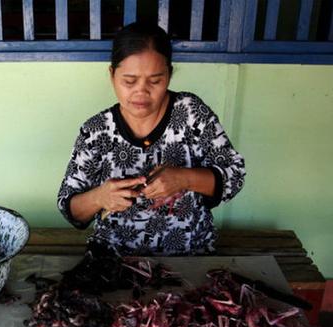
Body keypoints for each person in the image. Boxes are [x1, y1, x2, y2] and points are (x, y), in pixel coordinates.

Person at [57, 22, 246, 256]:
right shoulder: (96, 132)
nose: (141, 92)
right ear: (112, 75)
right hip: (113, 259)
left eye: (155, 81)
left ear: (169, 74)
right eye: (129, 81)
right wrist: (99, 197)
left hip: (189, 257)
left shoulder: (192, 114)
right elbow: (70, 208)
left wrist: (185, 179)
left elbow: (235, 174)